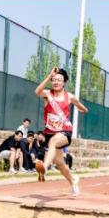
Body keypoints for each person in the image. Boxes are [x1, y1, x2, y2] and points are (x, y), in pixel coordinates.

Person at [34, 66, 88, 195]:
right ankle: (73, 181)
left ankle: (44, 169)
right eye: (54, 80)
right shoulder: (47, 95)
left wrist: (84, 110)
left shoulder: (69, 96)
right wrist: (49, 75)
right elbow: (37, 91)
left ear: (64, 82)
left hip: (65, 132)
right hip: (50, 132)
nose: (56, 82)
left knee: (53, 142)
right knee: (60, 164)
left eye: (59, 80)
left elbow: (79, 105)